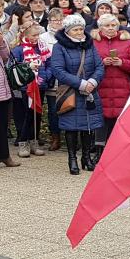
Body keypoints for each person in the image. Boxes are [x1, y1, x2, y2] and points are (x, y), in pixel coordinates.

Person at [50, 15, 105, 175]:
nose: (80, 32)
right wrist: (81, 84)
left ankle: (86, 157)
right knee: (71, 127)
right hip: (71, 92)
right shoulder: (60, 47)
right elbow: (58, 70)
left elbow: (99, 66)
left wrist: (93, 82)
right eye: (75, 29)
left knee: (89, 126)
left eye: (81, 29)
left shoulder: (89, 45)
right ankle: (72, 158)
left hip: (90, 91)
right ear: (68, 31)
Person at [91, 14, 130, 150]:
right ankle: (98, 151)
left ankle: (116, 151)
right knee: (100, 120)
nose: (111, 28)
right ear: (100, 27)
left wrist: (121, 62)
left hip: (121, 88)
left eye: (113, 25)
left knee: (118, 121)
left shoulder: (127, 42)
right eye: (107, 26)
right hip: (100, 87)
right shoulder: (93, 43)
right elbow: (87, 64)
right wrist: (102, 63)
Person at [11, 22, 51, 158]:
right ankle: (23, 141)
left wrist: (45, 78)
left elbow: (48, 65)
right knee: (27, 115)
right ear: (26, 35)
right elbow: (15, 68)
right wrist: (28, 69)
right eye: (34, 35)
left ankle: (34, 141)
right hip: (25, 87)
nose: (37, 37)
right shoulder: (18, 50)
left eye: (38, 34)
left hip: (40, 85)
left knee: (37, 114)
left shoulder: (42, 48)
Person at [41, 8, 64, 151]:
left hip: (66, 79)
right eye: (54, 20)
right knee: (53, 110)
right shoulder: (43, 37)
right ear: (49, 21)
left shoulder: (68, 35)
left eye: (60, 20)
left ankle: (70, 136)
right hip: (51, 80)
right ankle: (55, 137)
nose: (57, 23)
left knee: (67, 108)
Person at [0, 26, 18, 166]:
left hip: (2, 89)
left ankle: (4, 155)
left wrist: (1, 43)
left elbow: (6, 57)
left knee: (3, 124)